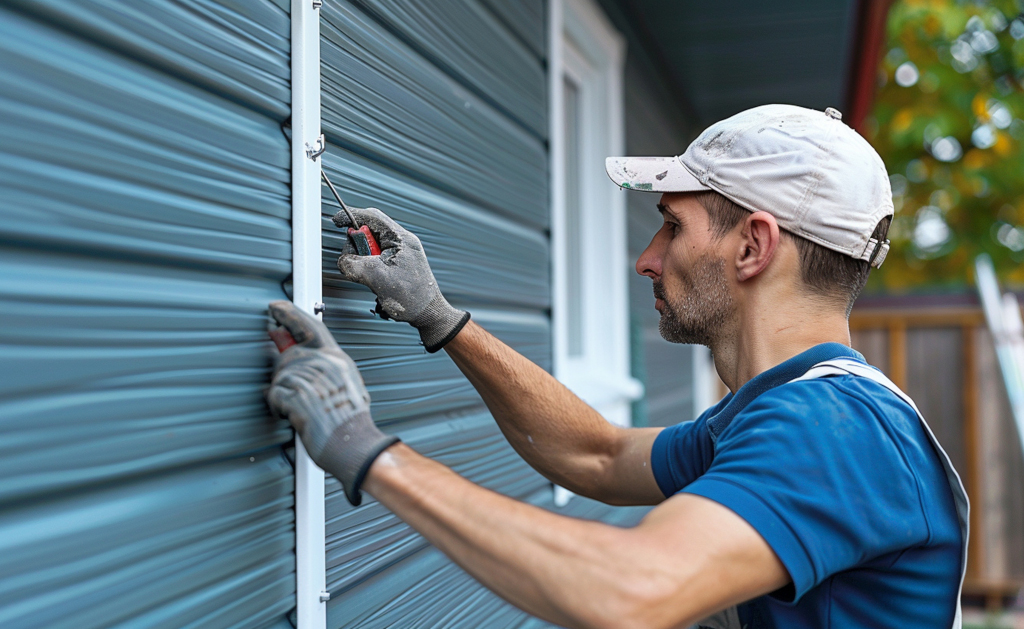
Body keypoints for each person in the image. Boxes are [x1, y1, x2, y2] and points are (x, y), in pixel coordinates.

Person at [266, 104, 967, 628]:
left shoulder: (833, 430)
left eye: (673, 225)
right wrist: (440, 317)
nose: (648, 259)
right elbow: (596, 455)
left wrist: (365, 450)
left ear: (753, 247)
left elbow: (629, 590)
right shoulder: (780, 411)